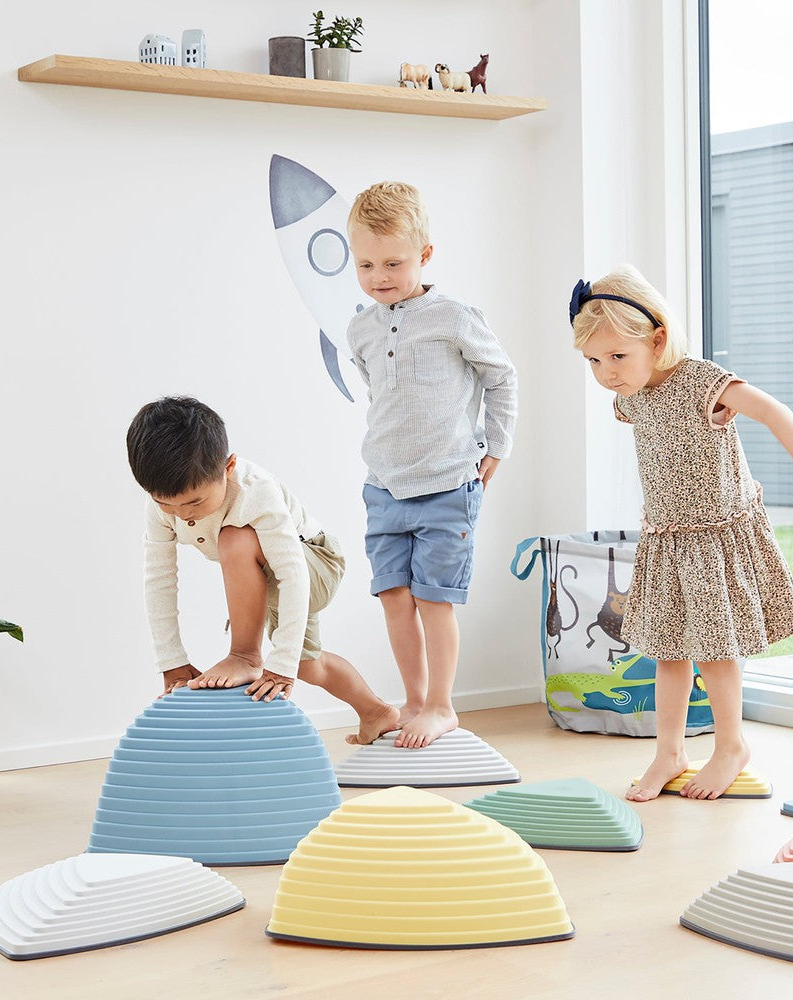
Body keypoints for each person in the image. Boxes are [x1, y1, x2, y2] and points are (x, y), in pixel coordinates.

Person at [570, 266, 793, 801]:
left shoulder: (702, 382)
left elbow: (772, 411)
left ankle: (730, 746)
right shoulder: (632, 396)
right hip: (666, 537)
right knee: (667, 650)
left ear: (658, 340)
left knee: (716, 650)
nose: (606, 373)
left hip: (713, 537)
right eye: (594, 361)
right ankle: (669, 751)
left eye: (617, 356)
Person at [346, 181, 518, 749]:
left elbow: (501, 378)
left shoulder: (455, 317)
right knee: (395, 598)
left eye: (393, 263)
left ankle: (443, 706)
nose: (379, 276)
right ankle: (415, 702)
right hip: (384, 488)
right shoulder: (361, 328)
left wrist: (496, 446)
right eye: (366, 264)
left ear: (424, 254)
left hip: (447, 485)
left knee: (434, 598)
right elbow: (378, 395)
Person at [125, 396, 399, 745]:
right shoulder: (159, 506)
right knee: (308, 665)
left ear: (228, 467)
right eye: (165, 503)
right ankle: (376, 712)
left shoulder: (255, 490)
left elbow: (292, 572)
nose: (182, 514)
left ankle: (244, 653)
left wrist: (277, 664)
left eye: (194, 502)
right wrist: (172, 661)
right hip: (266, 575)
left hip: (313, 564)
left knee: (234, 538)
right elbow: (159, 581)